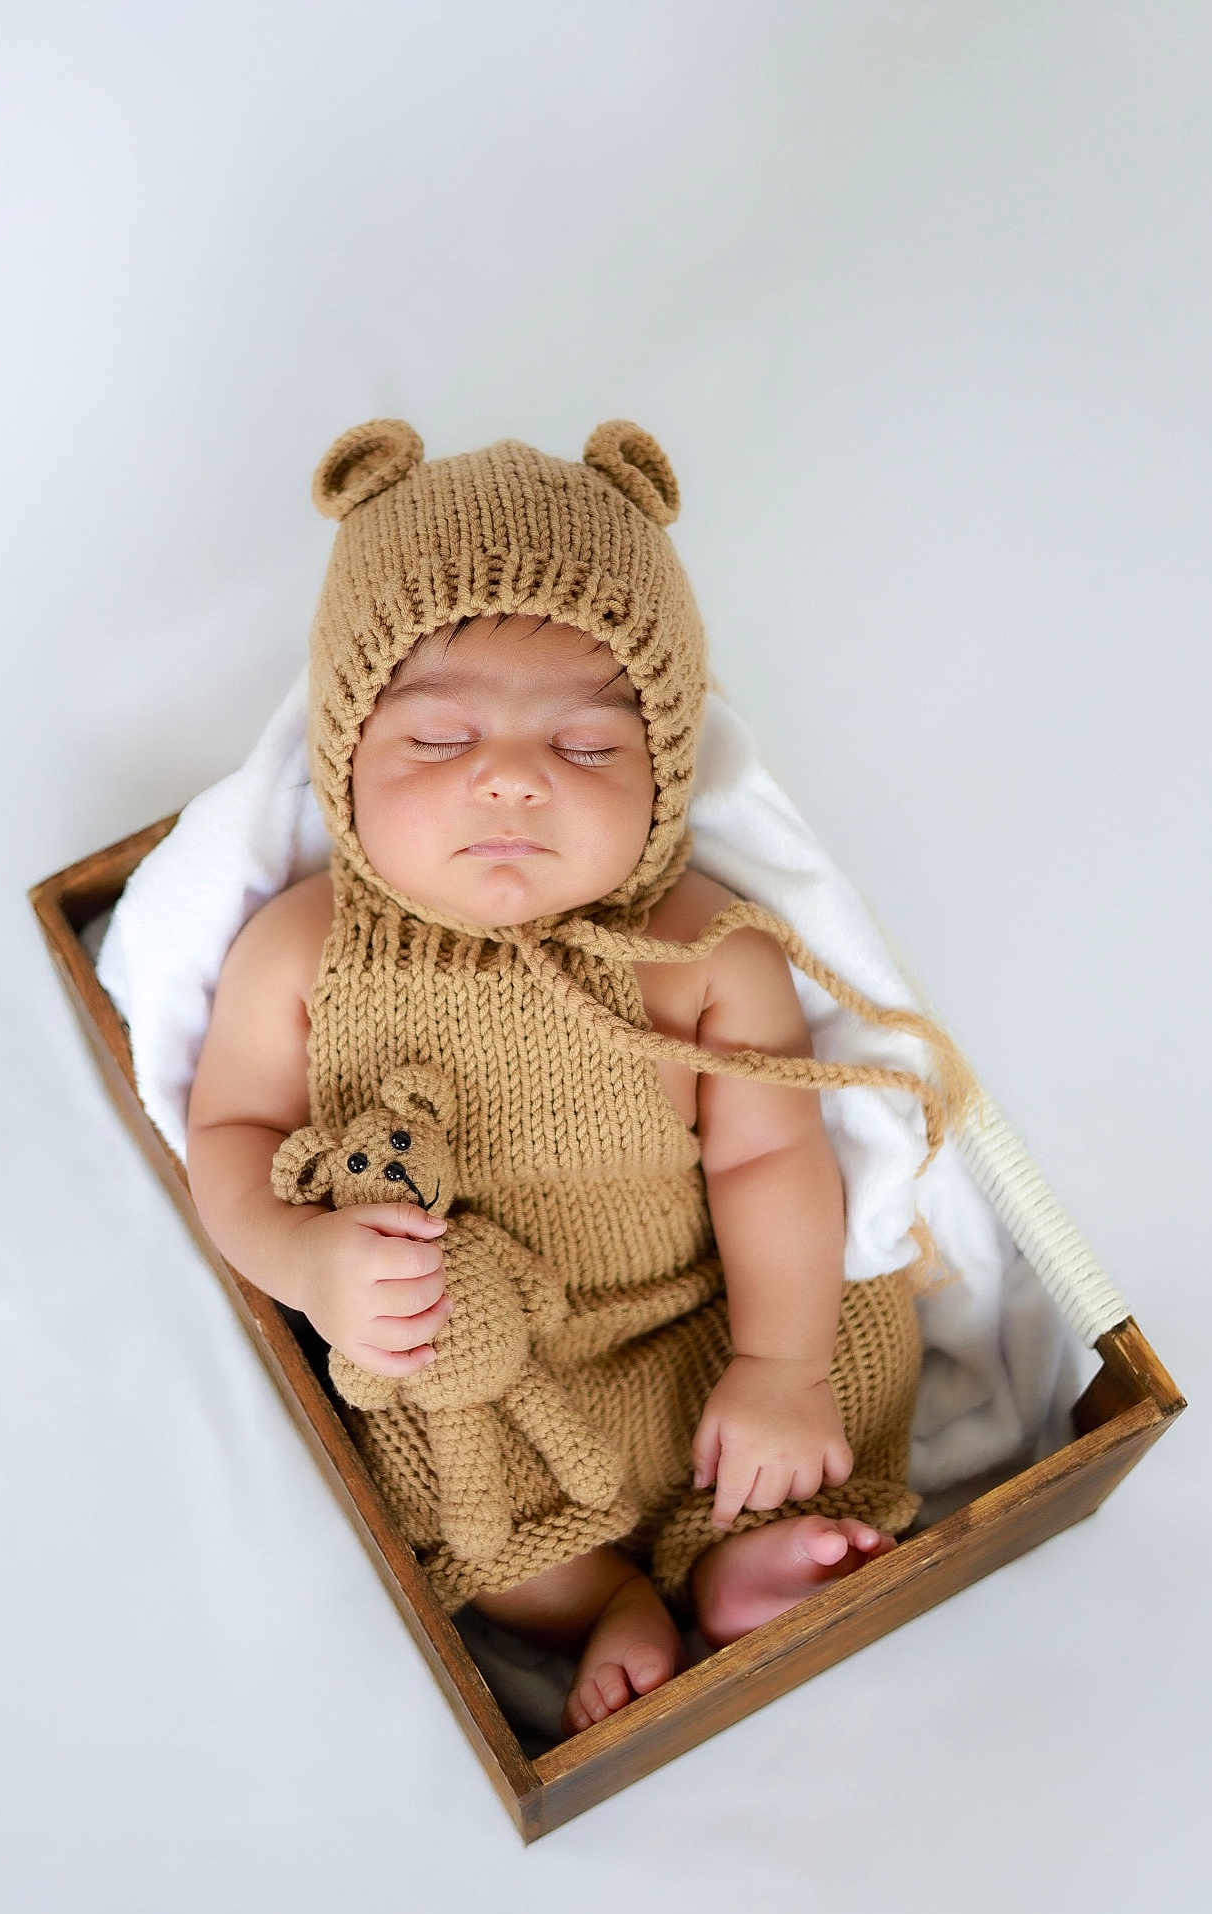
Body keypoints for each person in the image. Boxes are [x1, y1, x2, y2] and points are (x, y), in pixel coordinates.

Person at [184, 419, 977, 1741]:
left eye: (589, 749)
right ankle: (601, 1594)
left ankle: (736, 1564)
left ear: (664, 772)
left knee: (853, 1332)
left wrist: (776, 1361)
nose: (510, 778)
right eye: (437, 744)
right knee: (452, 1486)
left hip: (702, 1329)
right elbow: (228, 1131)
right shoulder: (306, 948)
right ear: (343, 761)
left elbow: (770, 1160)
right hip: (495, 1368)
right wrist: (306, 1263)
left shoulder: (695, 944)